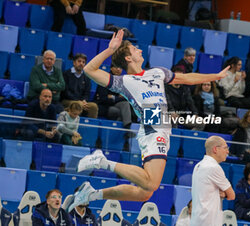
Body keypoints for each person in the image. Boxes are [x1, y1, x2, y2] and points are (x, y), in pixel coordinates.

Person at [66, 30, 230, 212]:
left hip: (163, 130)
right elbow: (89, 70)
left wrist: (215, 76)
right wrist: (110, 50)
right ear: (128, 58)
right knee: (151, 183)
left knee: (145, 193)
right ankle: (102, 162)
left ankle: (90, 194)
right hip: (153, 128)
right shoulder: (125, 81)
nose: (140, 50)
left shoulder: (157, 72)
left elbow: (186, 78)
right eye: (135, 49)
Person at [191, 136, 235, 226]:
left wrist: (221, 193)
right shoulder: (214, 167)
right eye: (225, 148)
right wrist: (224, 193)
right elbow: (231, 195)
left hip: (197, 220)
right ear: (215, 149)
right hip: (209, 221)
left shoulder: (198, 165)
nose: (227, 151)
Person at [165, 66, 204, 131]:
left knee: (200, 123)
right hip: (168, 114)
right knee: (173, 119)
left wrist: (195, 113)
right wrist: (172, 112)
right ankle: (174, 139)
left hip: (182, 116)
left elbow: (190, 102)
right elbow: (168, 102)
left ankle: (190, 139)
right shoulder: (166, 88)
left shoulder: (185, 89)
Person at [62, 53, 98, 119]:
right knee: (78, 104)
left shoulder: (86, 76)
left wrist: (84, 100)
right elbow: (65, 92)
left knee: (93, 106)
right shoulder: (66, 74)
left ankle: (90, 127)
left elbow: (87, 93)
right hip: (67, 100)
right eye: (79, 61)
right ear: (74, 63)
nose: (81, 63)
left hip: (81, 102)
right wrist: (78, 101)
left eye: (83, 62)